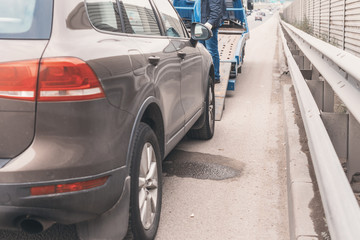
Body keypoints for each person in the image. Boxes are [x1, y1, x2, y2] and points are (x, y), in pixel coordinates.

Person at [193, 0, 226, 84]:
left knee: (211, 51)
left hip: (208, 26)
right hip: (200, 25)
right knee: (201, 51)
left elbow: (216, 10)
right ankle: (204, 75)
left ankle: (215, 76)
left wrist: (209, 23)